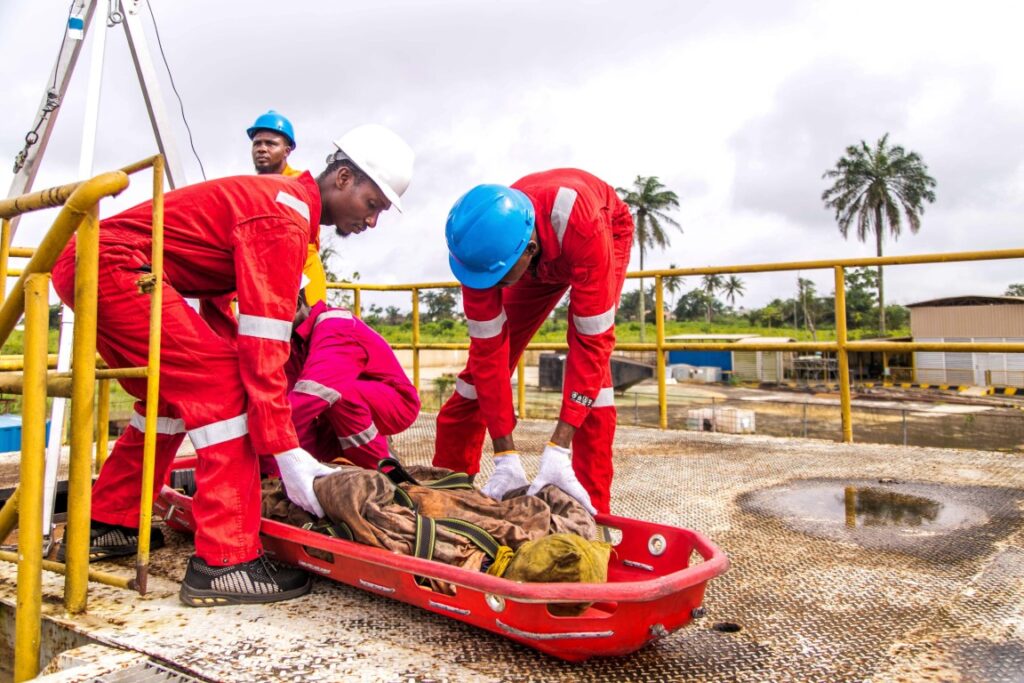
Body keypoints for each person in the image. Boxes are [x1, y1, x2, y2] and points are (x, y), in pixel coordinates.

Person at [52, 123, 414, 606]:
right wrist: (286, 453)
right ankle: (226, 562)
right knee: (224, 389)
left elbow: (218, 299)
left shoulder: (281, 206)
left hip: (98, 264)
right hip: (115, 266)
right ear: (344, 178)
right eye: (373, 204)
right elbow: (265, 346)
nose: (372, 221)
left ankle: (108, 521)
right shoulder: (283, 215)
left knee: (170, 399)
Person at [433, 169, 634, 516]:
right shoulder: (482, 253)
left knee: (594, 378)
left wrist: (559, 448)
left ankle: (590, 509)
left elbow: (592, 343)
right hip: (535, 252)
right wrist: (505, 456)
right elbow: (488, 354)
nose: (489, 288)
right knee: (475, 379)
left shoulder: (579, 225)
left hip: (600, 235)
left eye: (498, 280)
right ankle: (448, 492)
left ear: (529, 252)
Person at [265, 293, 421, 472]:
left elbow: (309, 398)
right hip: (345, 407)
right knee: (315, 444)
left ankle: (384, 473)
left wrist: (265, 447)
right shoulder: (294, 343)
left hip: (396, 403)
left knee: (335, 396)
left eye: (269, 312)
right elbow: (290, 407)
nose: (266, 323)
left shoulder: (335, 326)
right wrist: (278, 469)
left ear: (296, 303)